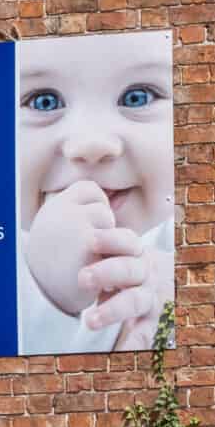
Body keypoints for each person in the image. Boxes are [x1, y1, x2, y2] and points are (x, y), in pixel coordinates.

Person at [16, 32, 175, 353]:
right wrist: (46, 296)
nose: (91, 144)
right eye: (44, 101)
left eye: (138, 97)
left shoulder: (188, 243)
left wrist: (173, 314)